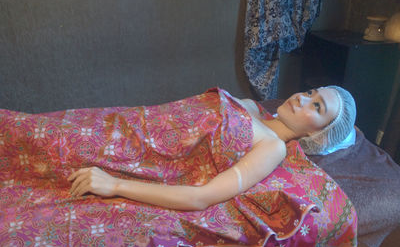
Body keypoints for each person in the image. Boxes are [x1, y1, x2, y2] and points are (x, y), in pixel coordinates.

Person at [68, 86, 356, 211]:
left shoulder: (272, 148)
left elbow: (201, 198)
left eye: (317, 106)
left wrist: (116, 184)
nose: (302, 98)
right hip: (122, 123)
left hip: (123, 155)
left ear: (318, 134)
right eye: (310, 92)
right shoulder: (251, 106)